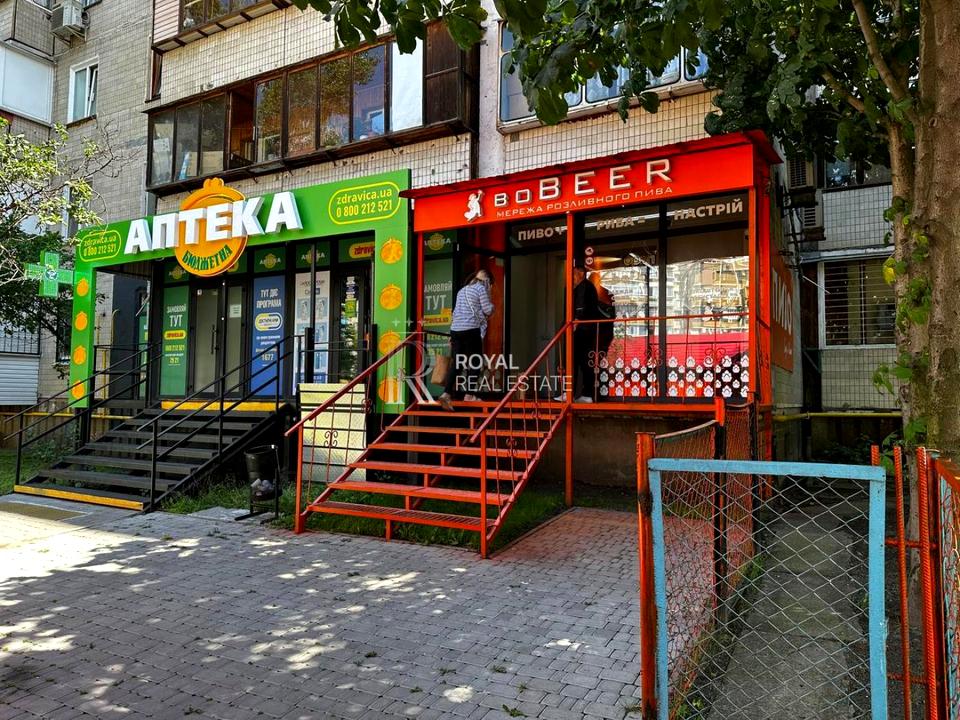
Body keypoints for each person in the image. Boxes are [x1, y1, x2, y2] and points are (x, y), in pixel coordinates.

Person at [438, 269, 494, 411]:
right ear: (487, 281)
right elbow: (488, 310)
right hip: (470, 329)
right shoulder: (481, 289)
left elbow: (456, 312)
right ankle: (469, 395)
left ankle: (446, 393)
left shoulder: (462, 291)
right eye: (490, 284)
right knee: (475, 362)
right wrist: (490, 300)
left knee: (457, 363)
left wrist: (451, 335)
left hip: (456, 330)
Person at [557, 265, 601, 403]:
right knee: (576, 361)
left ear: (581, 274)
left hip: (582, 331)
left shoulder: (585, 287)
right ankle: (572, 393)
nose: (571, 277)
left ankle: (581, 394)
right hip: (581, 330)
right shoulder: (578, 288)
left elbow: (581, 310)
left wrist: (576, 322)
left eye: (573, 274)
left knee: (580, 362)